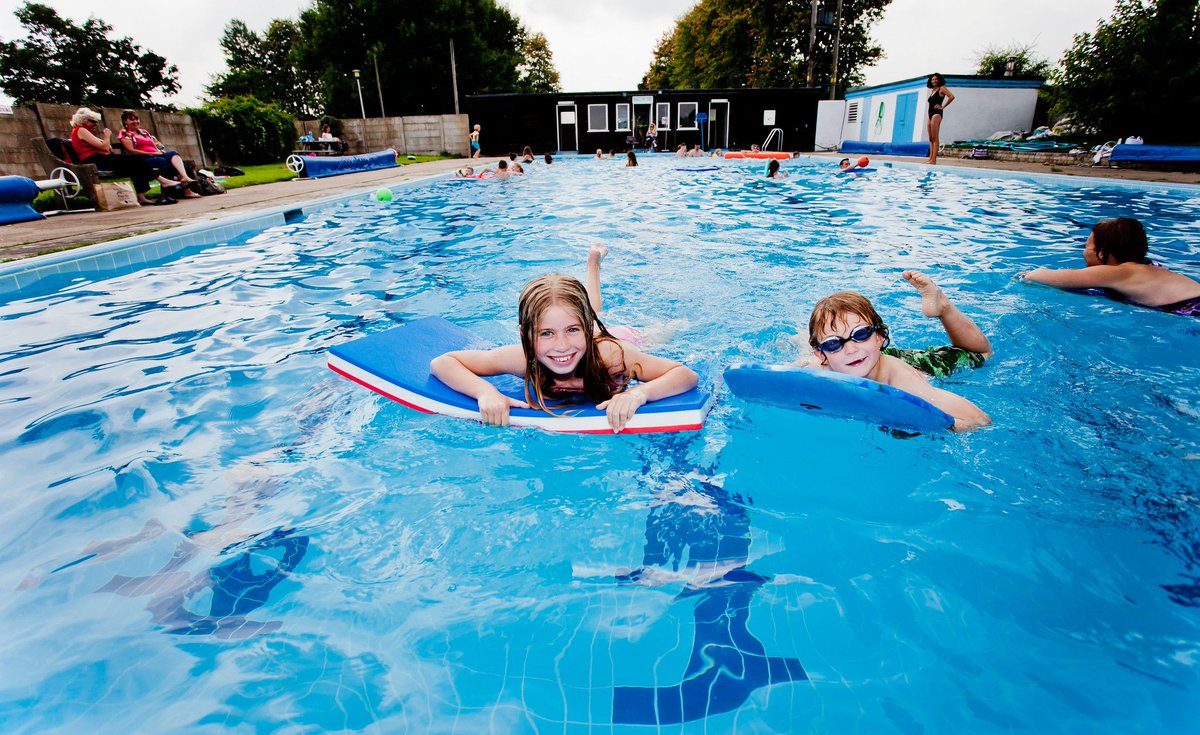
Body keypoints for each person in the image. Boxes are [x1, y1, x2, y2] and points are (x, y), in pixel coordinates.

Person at [430, 247, 699, 432]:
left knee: (666, 330)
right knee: (585, 313)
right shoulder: (523, 358)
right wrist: (485, 392)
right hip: (587, 334)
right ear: (525, 335)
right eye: (546, 333)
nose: (561, 346)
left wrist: (639, 394)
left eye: (572, 330)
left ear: (583, 329)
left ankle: (595, 269)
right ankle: (593, 265)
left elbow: (685, 375)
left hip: (622, 338)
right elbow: (443, 363)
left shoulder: (613, 357)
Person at [796, 272, 992, 431]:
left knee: (980, 354)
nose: (851, 348)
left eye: (861, 333)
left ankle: (944, 307)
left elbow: (980, 419)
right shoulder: (819, 367)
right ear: (822, 354)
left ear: (880, 336)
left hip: (907, 364)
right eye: (833, 343)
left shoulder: (901, 380)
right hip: (867, 355)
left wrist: (929, 424)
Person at [1020, 218, 1200, 316]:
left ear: (1102, 253)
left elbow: (1036, 277)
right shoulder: (1151, 268)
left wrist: (1036, 272)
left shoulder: (1117, 272)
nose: (1084, 252)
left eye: (1087, 247)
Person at [69, 107, 174, 206]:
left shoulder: (83, 131)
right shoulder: (80, 129)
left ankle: (142, 197)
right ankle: (162, 180)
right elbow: (105, 147)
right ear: (83, 120)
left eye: (96, 122)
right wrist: (107, 136)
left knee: (134, 165)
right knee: (135, 159)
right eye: (93, 121)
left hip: (98, 158)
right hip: (93, 160)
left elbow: (104, 146)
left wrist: (104, 143)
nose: (95, 124)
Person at [116, 110, 201, 199]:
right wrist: (152, 153)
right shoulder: (125, 134)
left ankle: (185, 177)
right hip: (144, 158)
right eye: (132, 120)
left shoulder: (144, 132)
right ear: (125, 121)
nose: (136, 122)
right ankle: (186, 191)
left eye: (137, 119)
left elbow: (156, 144)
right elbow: (131, 150)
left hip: (157, 154)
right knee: (165, 162)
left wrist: (160, 151)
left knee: (173, 154)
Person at [926, 73, 954, 165]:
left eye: (936, 79)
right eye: (932, 79)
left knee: (935, 137)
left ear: (939, 80)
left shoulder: (942, 88)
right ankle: (930, 158)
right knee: (930, 138)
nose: (934, 81)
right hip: (930, 114)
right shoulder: (932, 90)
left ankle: (934, 160)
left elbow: (951, 96)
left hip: (937, 114)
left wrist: (943, 106)